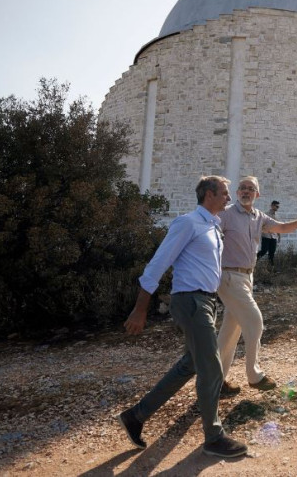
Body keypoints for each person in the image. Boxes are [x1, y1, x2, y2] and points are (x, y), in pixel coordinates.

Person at [118, 176, 247, 459]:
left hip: (206, 302)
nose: (229, 199)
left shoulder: (213, 224)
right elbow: (158, 263)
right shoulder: (187, 223)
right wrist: (140, 309)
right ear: (210, 194)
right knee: (211, 366)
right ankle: (214, 437)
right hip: (190, 301)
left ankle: (136, 416)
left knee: (191, 363)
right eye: (225, 193)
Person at [217, 177, 297, 395]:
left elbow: (280, 227)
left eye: (251, 189)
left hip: (247, 278)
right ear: (237, 191)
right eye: (242, 188)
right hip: (230, 277)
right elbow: (210, 236)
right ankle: (254, 375)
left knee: (230, 333)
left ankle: (215, 381)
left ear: (257, 195)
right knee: (255, 322)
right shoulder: (226, 215)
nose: (246, 191)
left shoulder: (258, 217)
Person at [255, 200, 280, 266]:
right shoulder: (266, 214)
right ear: (272, 206)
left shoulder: (277, 216)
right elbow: (260, 224)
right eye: (276, 206)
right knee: (264, 251)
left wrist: (279, 236)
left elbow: (278, 226)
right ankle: (253, 261)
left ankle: (271, 267)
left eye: (278, 207)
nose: (277, 208)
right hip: (266, 236)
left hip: (274, 236)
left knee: (272, 252)